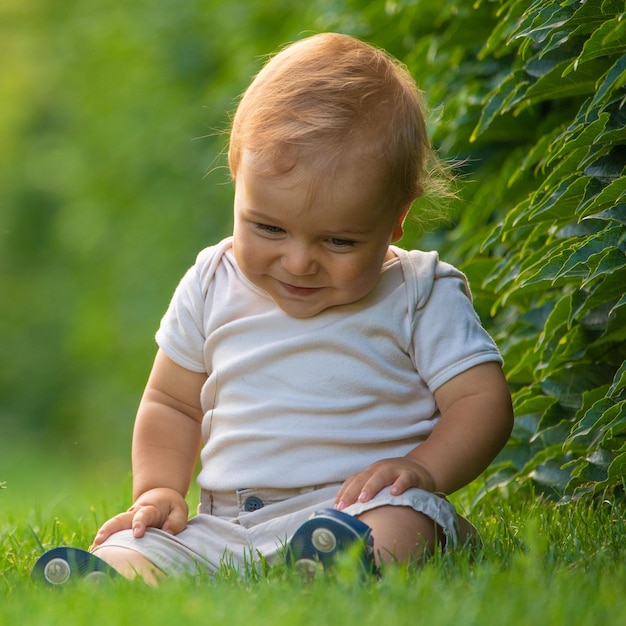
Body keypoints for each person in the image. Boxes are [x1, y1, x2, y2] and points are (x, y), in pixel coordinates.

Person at [31, 32, 513, 586]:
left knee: (410, 521)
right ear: (238, 183)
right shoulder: (211, 282)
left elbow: (483, 403)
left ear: (395, 221)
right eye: (269, 228)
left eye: (339, 242)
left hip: (361, 510)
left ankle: (345, 564)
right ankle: (115, 577)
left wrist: (425, 468)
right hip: (228, 522)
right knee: (147, 543)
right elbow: (171, 402)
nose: (299, 261)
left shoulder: (419, 292)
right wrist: (159, 488)